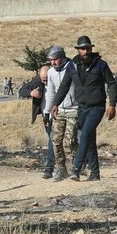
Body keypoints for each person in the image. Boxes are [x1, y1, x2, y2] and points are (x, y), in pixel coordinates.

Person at [51, 36, 117, 181]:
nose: (85, 51)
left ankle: (76, 169)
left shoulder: (100, 64)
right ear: (78, 50)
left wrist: (112, 104)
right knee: (89, 139)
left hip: (97, 107)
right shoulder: (72, 65)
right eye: (82, 48)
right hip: (81, 108)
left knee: (85, 135)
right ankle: (95, 173)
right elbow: (64, 86)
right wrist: (55, 103)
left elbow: (112, 83)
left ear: (91, 48)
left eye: (87, 48)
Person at [45, 46, 77, 182]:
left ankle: (77, 166)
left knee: (70, 141)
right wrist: (47, 111)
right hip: (59, 110)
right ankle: (61, 168)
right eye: (50, 60)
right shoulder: (51, 72)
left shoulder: (72, 67)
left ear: (62, 57)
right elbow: (51, 92)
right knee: (56, 141)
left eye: (55, 59)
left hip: (74, 108)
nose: (53, 62)